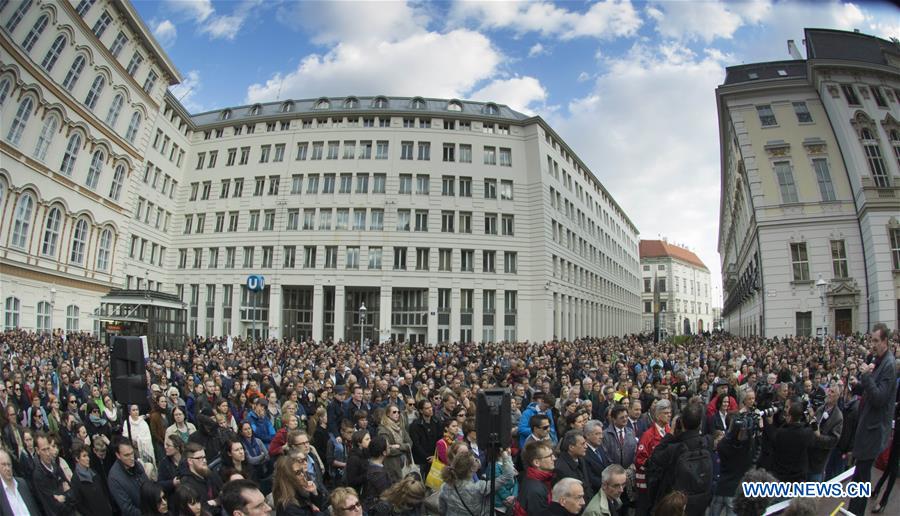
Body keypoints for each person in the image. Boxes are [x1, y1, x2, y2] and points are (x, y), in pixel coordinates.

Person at [848, 324, 897, 516]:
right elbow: (871, 390)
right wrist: (858, 385)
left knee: (861, 477)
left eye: (876, 341)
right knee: (859, 476)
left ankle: (856, 513)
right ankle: (854, 511)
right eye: (872, 340)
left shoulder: (889, 365)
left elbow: (879, 398)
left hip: (873, 430)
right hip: (867, 427)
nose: (872, 344)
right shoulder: (879, 360)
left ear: (885, 341)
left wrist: (866, 377)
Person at [643, 402, 713, 516]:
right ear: (700, 423)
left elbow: (655, 456)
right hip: (701, 502)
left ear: (682, 423)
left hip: (678, 504)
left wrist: (670, 434)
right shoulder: (707, 442)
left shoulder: (675, 449)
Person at [439, 448, 515, 516]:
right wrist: (505, 455)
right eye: (475, 460)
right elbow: (508, 474)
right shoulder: (479, 487)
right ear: (472, 469)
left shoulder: (445, 486)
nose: (477, 460)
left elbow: (442, 510)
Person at [32, 431, 76, 514]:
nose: (48, 453)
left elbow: (72, 492)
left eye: (48, 448)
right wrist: (66, 493)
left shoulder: (55, 465)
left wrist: (64, 496)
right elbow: (51, 505)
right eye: (44, 450)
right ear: (37, 450)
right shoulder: (38, 475)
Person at [808, 383, 843, 482]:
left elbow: (834, 440)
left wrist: (819, 436)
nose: (829, 394)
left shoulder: (838, 417)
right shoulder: (820, 409)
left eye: (832, 392)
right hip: (809, 455)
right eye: (829, 391)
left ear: (837, 396)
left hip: (819, 460)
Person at [109, 438, 150, 516]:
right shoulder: (114, 478)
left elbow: (148, 487)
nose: (131, 458)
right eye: (126, 455)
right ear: (118, 455)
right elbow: (127, 509)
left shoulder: (137, 465)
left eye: (132, 453)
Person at [70, 441, 114, 514]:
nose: (88, 458)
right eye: (84, 456)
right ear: (77, 459)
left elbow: (104, 492)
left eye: (87, 455)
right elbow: (80, 505)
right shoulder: (75, 480)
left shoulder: (94, 473)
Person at [514, 440, 555, 515]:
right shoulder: (535, 490)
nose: (554, 458)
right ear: (536, 462)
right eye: (550, 456)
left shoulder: (536, 479)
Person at [553, 430, 594, 504]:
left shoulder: (581, 459)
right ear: (571, 447)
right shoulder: (560, 469)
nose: (586, 446)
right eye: (582, 444)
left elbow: (587, 484)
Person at [377, 403, 413, 481]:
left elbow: (410, 443)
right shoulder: (383, 430)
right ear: (387, 414)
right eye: (394, 412)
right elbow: (387, 450)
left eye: (398, 412)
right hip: (392, 466)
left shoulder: (401, 427)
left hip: (405, 463)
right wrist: (404, 447)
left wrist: (399, 446)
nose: (397, 414)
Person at [179, 442, 223, 507]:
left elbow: (224, 493)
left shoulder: (210, 474)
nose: (204, 461)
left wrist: (215, 502)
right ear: (190, 461)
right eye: (200, 458)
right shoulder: (187, 483)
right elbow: (199, 507)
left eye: (204, 457)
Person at [0, 448, 40, 516]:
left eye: (9, 464)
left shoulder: (22, 484)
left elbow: (35, 508)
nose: (7, 468)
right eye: (3, 465)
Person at [408, 400, 441, 479]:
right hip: (422, 460)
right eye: (427, 408)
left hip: (435, 457)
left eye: (431, 407)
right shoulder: (415, 425)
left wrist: (436, 455)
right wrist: (427, 457)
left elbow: (440, 439)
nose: (430, 409)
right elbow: (416, 445)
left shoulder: (437, 421)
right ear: (421, 410)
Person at [363, 436, 393, 511]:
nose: (390, 447)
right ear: (384, 452)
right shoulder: (378, 474)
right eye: (388, 446)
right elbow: (385, 494)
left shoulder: (371, 465)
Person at [583, 419, 608, 494]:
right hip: (595, 492)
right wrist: (608, 485)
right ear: (587, 435)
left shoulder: (600, 447)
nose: (601, 437)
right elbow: (590, 477)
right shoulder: (584, 453)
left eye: (601, 433)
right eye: (597, 434)